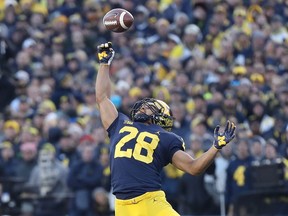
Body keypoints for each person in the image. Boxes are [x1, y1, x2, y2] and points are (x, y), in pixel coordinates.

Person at [95, 42, 236, 216]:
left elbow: (193, 168)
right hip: (122, 207)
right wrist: (104, 64)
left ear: (161, 116)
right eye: (143, 106)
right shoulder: (120, 124)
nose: (142, 108)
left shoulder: (166, 138)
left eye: (149, 107)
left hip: (150, 202)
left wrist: (215, 148)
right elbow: (102, 98)